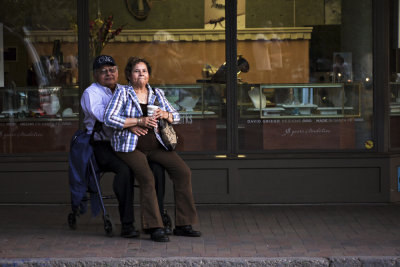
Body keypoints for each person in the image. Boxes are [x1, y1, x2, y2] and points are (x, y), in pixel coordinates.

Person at [104, 56, 201, 242]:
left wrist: (164, 114)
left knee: (183, 172)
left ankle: (183, 224)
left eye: (144, 71)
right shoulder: (123, 93)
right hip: (130, 147)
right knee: (147, 178)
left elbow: (177, 117)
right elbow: (109, 118)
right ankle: (154, 226)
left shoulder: (156, 93)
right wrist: (138, 121)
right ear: (129, 75)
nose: (141, 74)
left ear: (148, 75)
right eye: (136, 71)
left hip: (156, 146)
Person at [81, 55, 167, 238]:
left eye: (112, 70)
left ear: (119, 72)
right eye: (103, 71)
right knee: (125, 170)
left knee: (157, 168)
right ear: (95, 75)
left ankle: (158, 221)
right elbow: (107, 118)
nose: (109, 74)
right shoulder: (91, 93)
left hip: (127, 140)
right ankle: (127, 224)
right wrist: (134, 122)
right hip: (102, 145)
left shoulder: (123, 89)